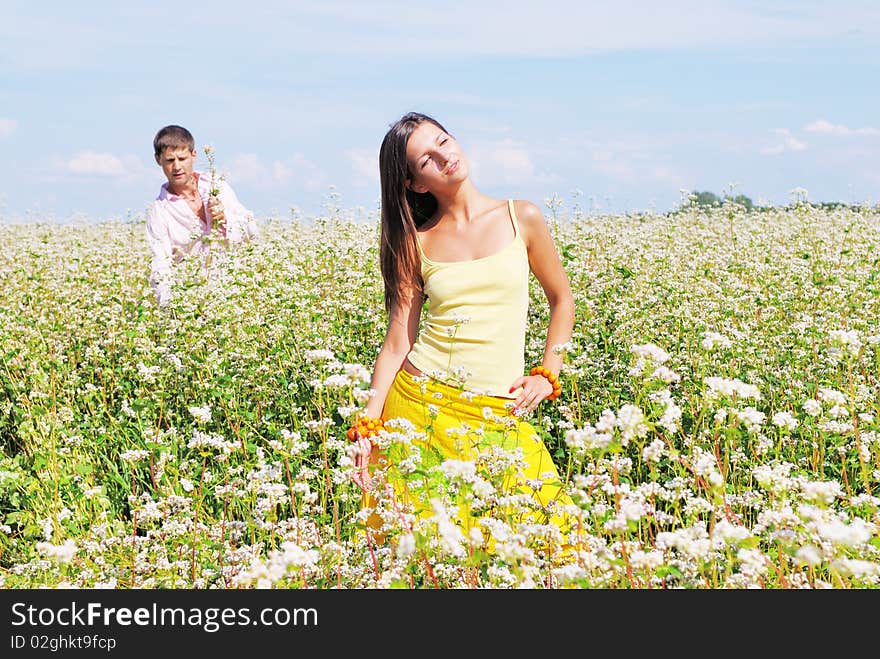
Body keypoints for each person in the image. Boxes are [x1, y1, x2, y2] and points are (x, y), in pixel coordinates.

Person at [351, 112, 577, 550]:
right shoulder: (415, 241)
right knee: (429, 552)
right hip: (420, 407)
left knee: (556, 542)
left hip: (499, 410)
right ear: (416, 183)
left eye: (444, 141)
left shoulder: (521, 216)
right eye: (427, 160)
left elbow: (562, 300)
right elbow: (398, 339)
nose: (444, 156)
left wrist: (548, 374)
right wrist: (369, 422)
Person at [145, 125, 258, 306]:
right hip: (194, 303)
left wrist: (224, 218)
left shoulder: (216, 186)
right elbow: (160, 267)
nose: (177, 167)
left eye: (182, 158)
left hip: (235, 293)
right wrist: (174, 311)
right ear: (158, 160)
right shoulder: (159, 212)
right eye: (169, 160)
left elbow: (252, 232)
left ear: (194, 155)